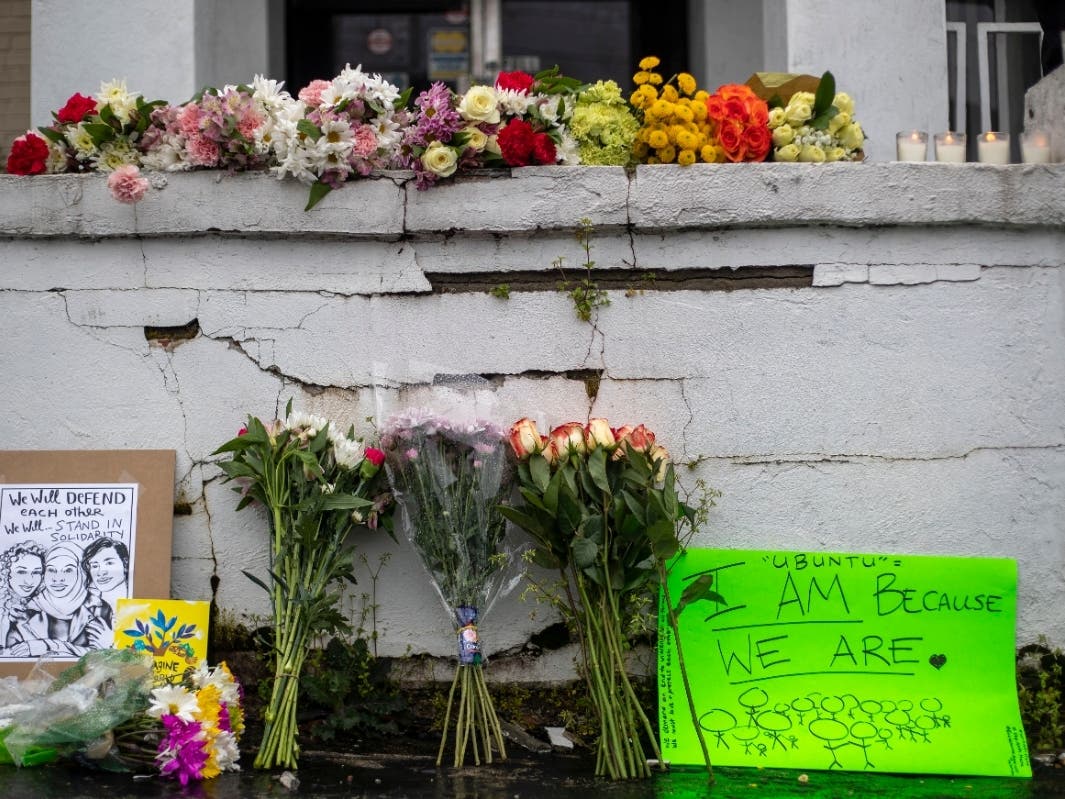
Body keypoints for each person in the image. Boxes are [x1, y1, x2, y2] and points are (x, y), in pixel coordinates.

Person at [7, 542, 108, 657]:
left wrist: (48, 646)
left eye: (68, 570)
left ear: (81, 573)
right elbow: (11, 657)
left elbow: (108, 656)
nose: (58, 579)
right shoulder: (26, 611)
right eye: (51, 570)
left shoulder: (99, 608)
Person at [81, 537, 130, 646]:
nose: (101, 571)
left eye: (109, 563)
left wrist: (113, 643)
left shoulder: (138, 606)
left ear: (125, 564)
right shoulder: (88, 609)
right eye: (94, 565)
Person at [0, 542, 45, 652]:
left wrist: (22, 625)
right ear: (6, 572)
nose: (29, 581)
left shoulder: (40, 609)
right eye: (21, 571)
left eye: (36, 572)